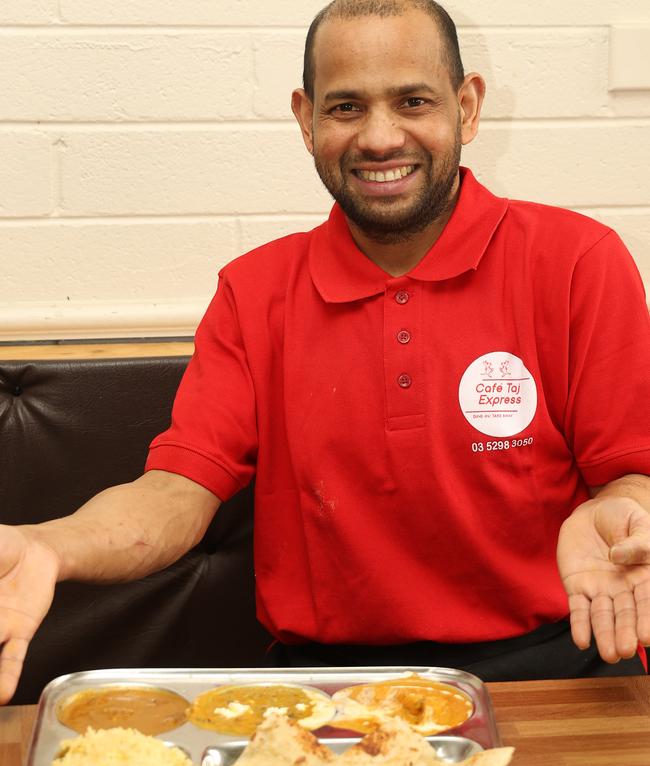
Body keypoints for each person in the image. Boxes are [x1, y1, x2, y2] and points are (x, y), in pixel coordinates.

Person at [0, 0, 649, 703]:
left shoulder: (579, 261)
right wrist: (49, 546)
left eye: (413, 101)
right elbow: (172, 498)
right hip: (325, 692)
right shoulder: (253, 292)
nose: (379, 137)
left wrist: (629, 508)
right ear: (306, 119)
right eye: (345, 107)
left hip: (560, 666)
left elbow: (630, 480)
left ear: (466, 107)